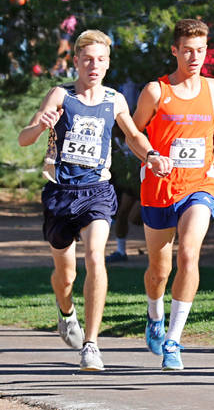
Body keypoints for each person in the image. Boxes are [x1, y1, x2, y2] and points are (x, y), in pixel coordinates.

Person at [19, 30, 173, 371]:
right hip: (60, 193)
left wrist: (152, 156)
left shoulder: (114, 99)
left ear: (107, 64)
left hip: (97, 191)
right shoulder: (60, 95)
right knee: (66, 275)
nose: (94, 65)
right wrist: (41, 125)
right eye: (88, 58)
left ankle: (91, 344)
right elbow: (24, 139)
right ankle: (66, 312)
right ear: (76, 61)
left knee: (94, 257)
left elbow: (133, 134)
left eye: (101, 59)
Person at [134, 19, 214, 370]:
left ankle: (174, 340)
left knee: (189, 253)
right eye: (187, 51)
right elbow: (133, 133)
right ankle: (154, 315)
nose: (195, 57)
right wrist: (150, 156)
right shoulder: (156, 91)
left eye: (201, 50)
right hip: (158, 187)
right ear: (175, 50)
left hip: (199, 184)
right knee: (159, 267)